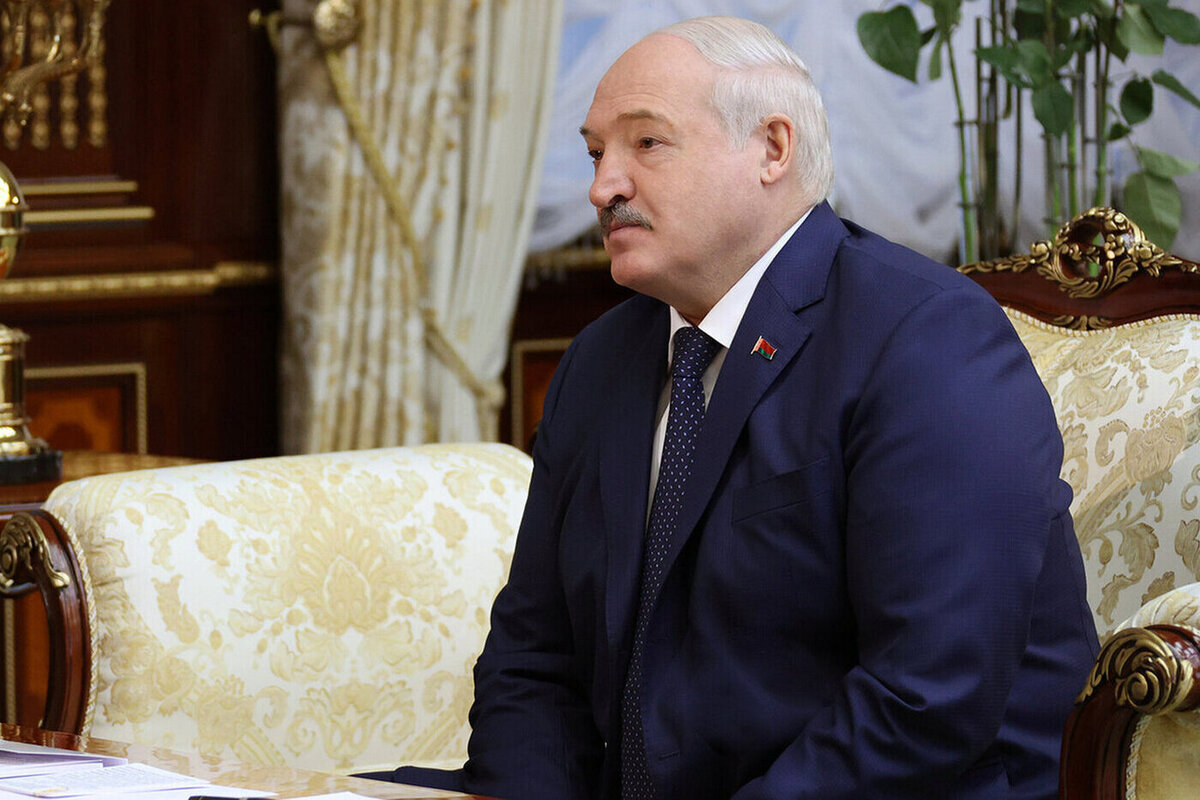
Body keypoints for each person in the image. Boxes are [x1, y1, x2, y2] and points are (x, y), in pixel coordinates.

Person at [375, 15, 1099, 800]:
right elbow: (532, 658)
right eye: (595, 153)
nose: (603, 187)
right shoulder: (598, 360)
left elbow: (925, 698)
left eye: (646, 143)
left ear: (772, 149)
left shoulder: (924, 338)